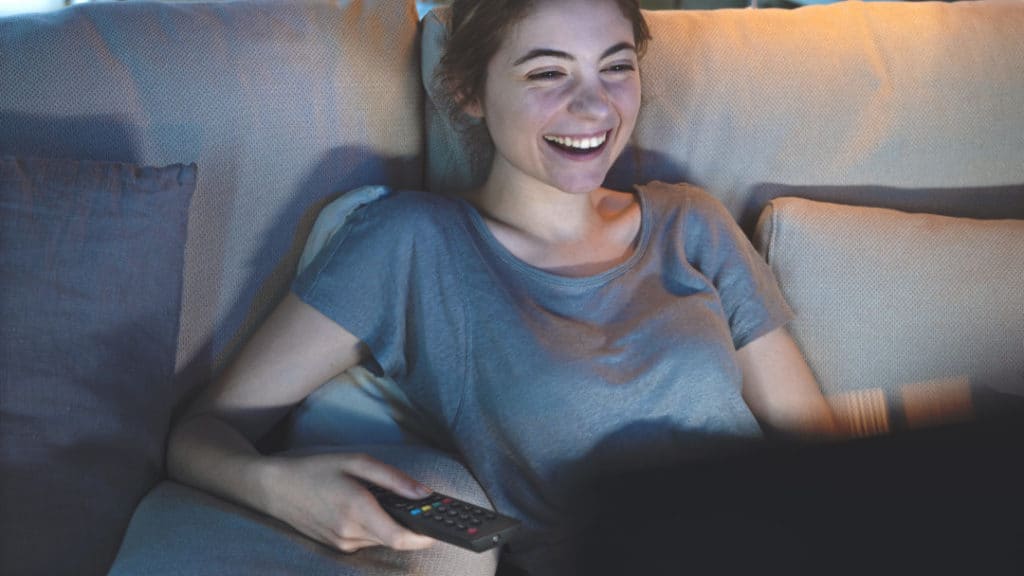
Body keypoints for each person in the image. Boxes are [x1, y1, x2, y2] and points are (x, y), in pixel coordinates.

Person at [167, 0, 839, 573]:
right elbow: (199, 433)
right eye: (548, 72)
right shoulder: (410, 244)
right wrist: (285, 489)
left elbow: (823, 454)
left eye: (616, 66)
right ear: (467, 91)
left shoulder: (691, 221)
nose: (594, 104)